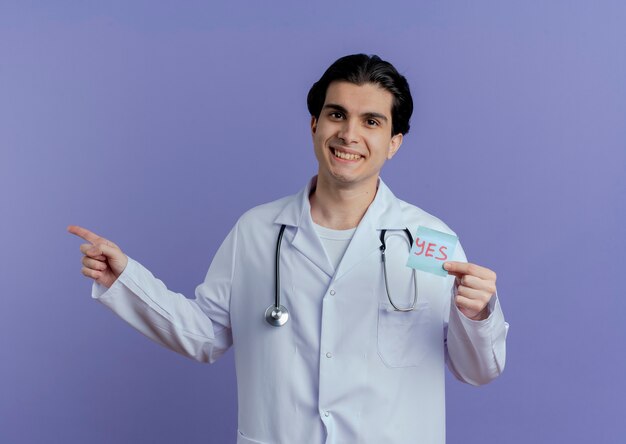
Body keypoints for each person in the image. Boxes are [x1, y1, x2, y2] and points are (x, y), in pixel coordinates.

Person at [68, 53, 508, 444]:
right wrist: (126, 279)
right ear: (314, 124)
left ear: (394, 142)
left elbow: (477, 370)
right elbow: (204, 335)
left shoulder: (427, 239)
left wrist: (478, 315)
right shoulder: (258, 231)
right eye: (336, 115)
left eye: (372, 121)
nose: (349, 134)